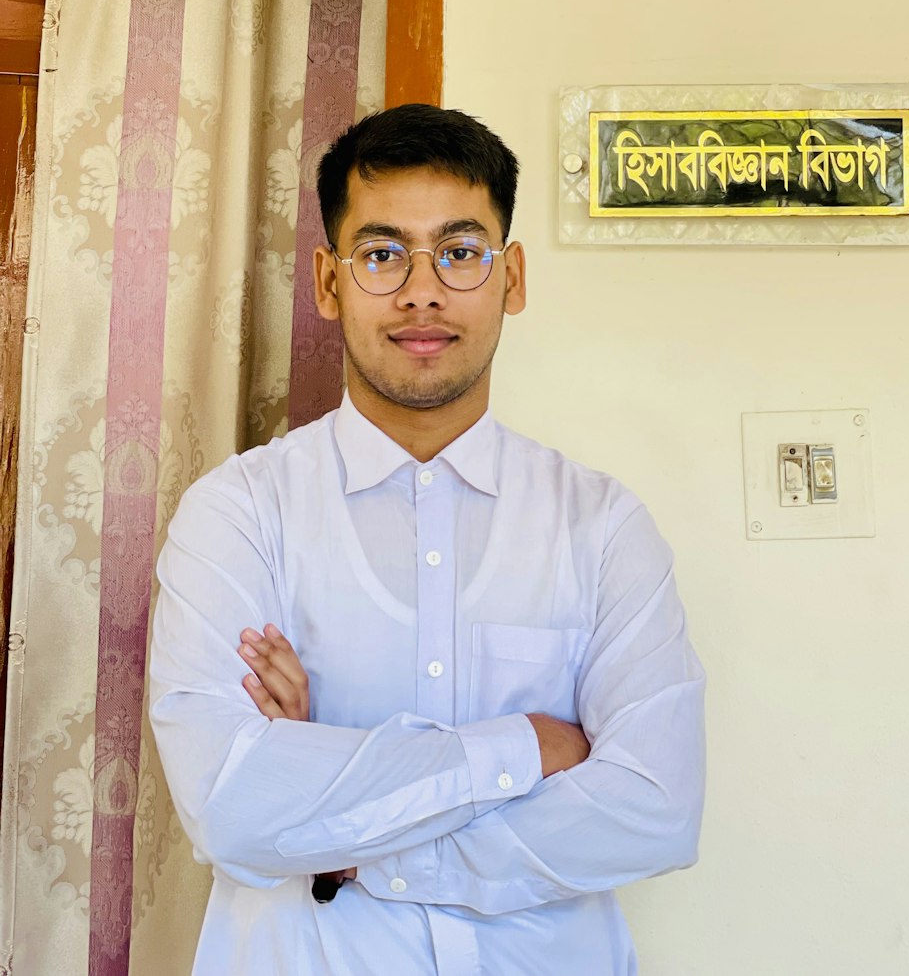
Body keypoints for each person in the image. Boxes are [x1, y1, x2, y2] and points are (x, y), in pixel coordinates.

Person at [149, 103, 706, 976]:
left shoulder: (601, 526)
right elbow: (232, 807)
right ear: (330, 283)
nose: (422, 290)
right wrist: (526, 744)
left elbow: (655, 807)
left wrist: (340, 837)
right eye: (381, 254)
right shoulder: (237, 514)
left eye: (459, 250)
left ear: (511, 276)